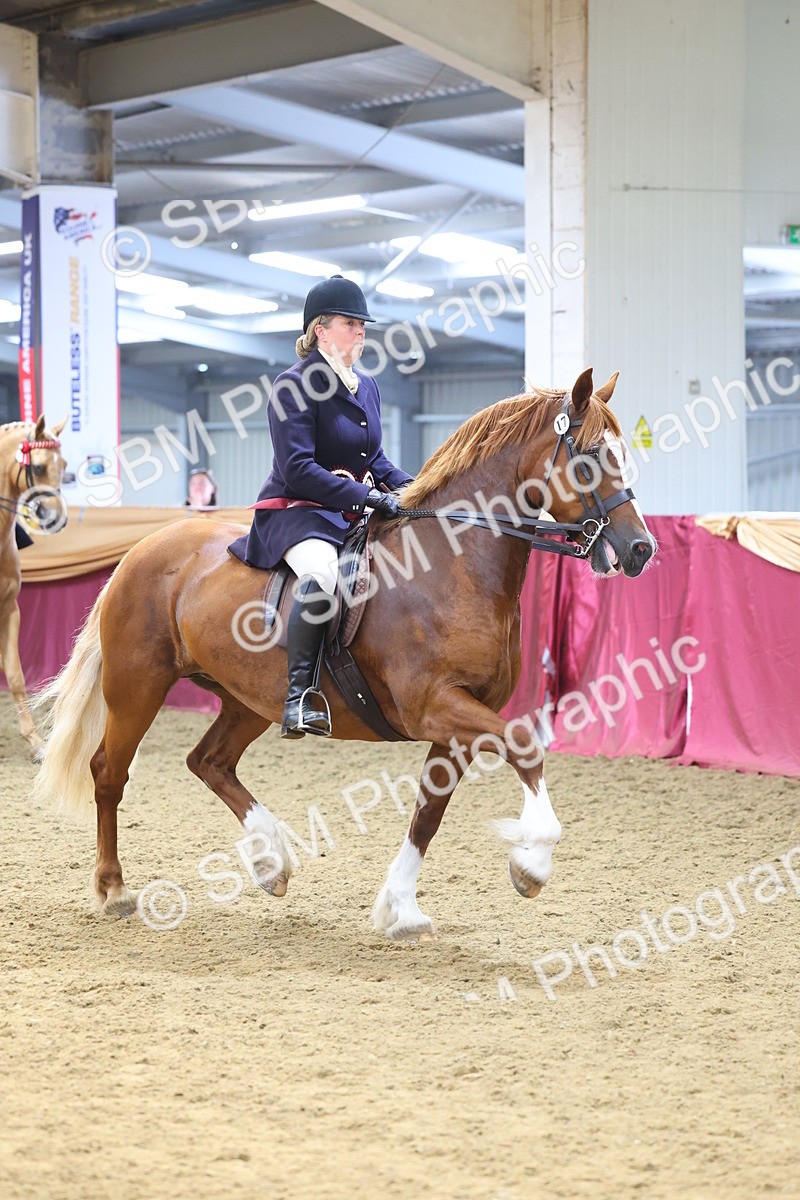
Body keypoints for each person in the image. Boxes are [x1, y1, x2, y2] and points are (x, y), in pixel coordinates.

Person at [229, 275, 413, 739]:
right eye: (350, 323)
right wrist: (368, 496)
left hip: (346, 513)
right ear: (319, 330)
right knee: (324, 574)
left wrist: (411, 489)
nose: (361, 331)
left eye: (362, 324)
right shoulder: (292, 386)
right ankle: (299, 698)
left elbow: (374, 459)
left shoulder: (366, 386)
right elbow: (297, 468)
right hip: (296, 510)